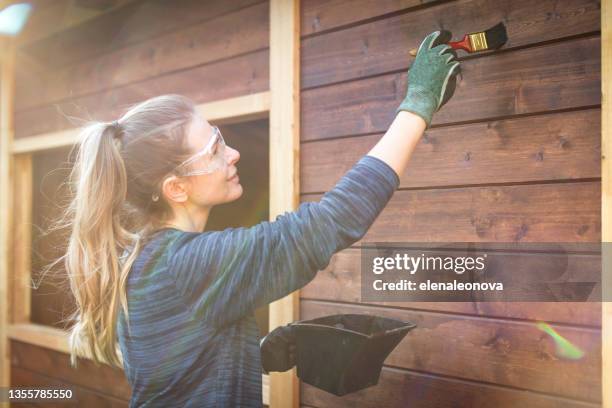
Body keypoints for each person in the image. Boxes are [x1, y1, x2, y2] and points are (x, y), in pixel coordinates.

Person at [62, 31, 459, 407]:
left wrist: (253, 355)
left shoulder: (147, 257)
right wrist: (418, 104)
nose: (232, 154)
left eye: (218, 137)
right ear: (176, 188)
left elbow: (175, 373)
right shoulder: (186, 265)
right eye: (214, 150)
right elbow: (329, 223)